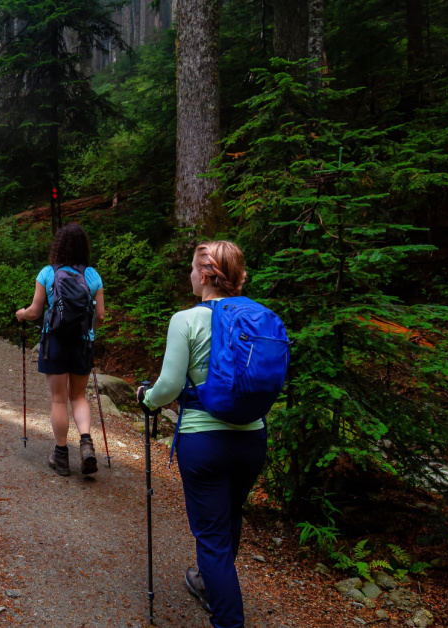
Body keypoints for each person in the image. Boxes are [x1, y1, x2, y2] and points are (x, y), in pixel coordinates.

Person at [136, 240, 267, 628]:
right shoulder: (259, 317)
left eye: (194, 269)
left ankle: (227, 618)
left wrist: (147, 398)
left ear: (207, 275)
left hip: (204, 442)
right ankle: (212, 584)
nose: (190, 276)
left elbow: (169, 387)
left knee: (210, 536)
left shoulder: (187, 320)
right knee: (229, 518)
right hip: (251, 439)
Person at [14, 223, 106, 476]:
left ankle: (61, 455)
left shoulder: (47, 273)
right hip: (82, 342)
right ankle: (86, 443)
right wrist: (88, 329)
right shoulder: (92, 275)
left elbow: (35, 312)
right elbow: (101, 314)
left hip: (54, 340)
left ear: (59, 246)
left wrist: (22, 315)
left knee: (58, 399)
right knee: (78, 396)